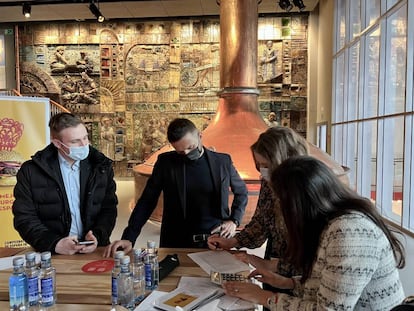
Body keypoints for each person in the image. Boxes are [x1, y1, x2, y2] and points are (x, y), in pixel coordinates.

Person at [222, 156, 406, 310]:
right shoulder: (332, 223)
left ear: (301, 202)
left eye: (282, 201)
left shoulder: (349, 234)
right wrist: (288, 283)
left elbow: (328, 309)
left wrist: (265, 297)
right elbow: (327, 284)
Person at [104, 118, 247, 256]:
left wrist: (234, 220)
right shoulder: (166, 163)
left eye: (190, 147)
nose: (186, 154)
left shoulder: (222, 161)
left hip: (214, 238)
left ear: (200, 136)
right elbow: (147, 201)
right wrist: (129, 236)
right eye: (180, 151)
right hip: (175, 240)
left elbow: (241, 192)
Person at [207, 126, 308, 296]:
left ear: (285, 160)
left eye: (266, 165)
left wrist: (258, 261)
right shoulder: (269, 184)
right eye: (259, 165)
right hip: (274, 262)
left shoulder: (307, 189)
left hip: (300, 275)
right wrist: (233, 241)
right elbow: (261, 222)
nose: (262, 171)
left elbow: (308, 254)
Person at [12, 112, 118, 255]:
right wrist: (54, 243)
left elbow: (108, 208)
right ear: (57, 143)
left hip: (95, 250)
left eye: (85, 138)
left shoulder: (101, 167)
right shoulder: (31, 171)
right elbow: (24, 217)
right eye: (75, 142)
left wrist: (98, 236)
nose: (84, 145)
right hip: (51, 253)